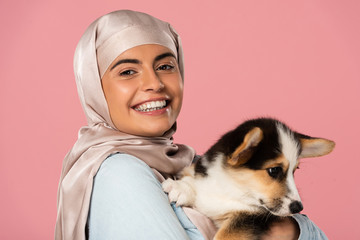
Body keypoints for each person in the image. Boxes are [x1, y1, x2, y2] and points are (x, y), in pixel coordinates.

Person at [55, 10, 328, 240]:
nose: (155, 83)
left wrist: (288, 227)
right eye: (128, 71)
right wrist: (283, 228)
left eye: (165, 66)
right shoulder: (120, 172)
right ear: (94, 87)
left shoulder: (187, 164)